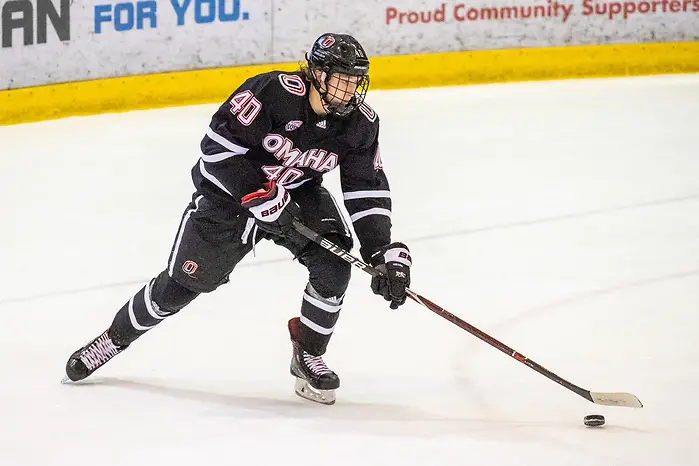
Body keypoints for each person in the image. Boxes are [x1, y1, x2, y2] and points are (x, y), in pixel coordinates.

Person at [63, 33, 413, 405]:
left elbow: (366, 187)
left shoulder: (360, 123)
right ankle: (113, 339)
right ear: (315, 73)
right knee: (183, 284)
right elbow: (216, 150)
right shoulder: (272, 94)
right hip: (228, 196)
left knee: (334, 263)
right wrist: (258, 193)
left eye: (355, 80)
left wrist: (381, 251)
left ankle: (309, 352)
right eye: (340, 78)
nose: (349, 89)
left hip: (296, 193)